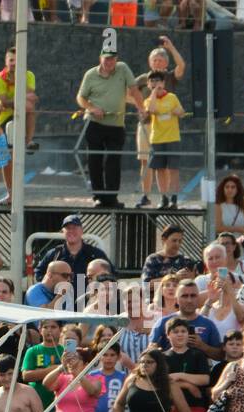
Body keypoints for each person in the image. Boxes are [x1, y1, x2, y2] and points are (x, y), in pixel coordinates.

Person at [76, 49, 145, 208]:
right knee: (95, 160)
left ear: (117, 59)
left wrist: (141, 108)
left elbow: (134, 90)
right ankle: (98, 197)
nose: (109, 62)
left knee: (113, 160)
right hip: (94, 123)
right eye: (106, 59)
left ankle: (112, 197)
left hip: (116, 124)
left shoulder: (123, 68)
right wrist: (92, 108)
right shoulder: (90, 74)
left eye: (112, 59)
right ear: (100, 58)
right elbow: (81, 97)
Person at [132, 39, 186, 210]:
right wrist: (140, 106)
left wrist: (170, 47)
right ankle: (146, 195)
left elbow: (182, 66)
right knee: (146, 161)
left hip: (168, 129)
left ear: (166, 62)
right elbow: (128, 94)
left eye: (161, 60)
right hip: (147, 125)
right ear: (149, 62)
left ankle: (170, 196)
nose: (157, 63)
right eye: (154, 60)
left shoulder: (170, 77)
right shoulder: (143, 79)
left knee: (170, 165)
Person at [32, 215, 108, 284]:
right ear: (63, 231)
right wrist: (53, 285)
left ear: (82, 230)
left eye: (74, 228)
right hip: (59, 297)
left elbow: (111, 274)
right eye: (68, 228)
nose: (71, 231)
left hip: (87, 298)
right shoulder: (54, 254)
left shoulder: (95, 254)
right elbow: (38, 273)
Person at [0, 46, 37, 153]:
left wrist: (21, 99)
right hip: (4, 118)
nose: (14, 63)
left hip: (23, 115)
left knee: (30, 106)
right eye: (11, 60)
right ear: (6, 61)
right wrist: (23, 97)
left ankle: (28, 141)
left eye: (17, 60)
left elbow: (29, 98)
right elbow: (4, 103)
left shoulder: (29, 75)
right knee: (0, 161)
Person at [21, 317, 64, 412]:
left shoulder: (65, 351)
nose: (49, 330)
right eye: (45, 327)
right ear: (40, 330)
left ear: (60, 330)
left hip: (60, 405)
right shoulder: (32, 351)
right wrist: (54, 369)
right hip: (36, 404)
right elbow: (26, 376)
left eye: (53, 327)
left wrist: (38, 372)